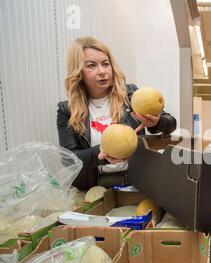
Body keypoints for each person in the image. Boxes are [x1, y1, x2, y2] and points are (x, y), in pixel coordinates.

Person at [57, 37, 176, 190]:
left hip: (136, 182)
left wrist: (156, 122)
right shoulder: (67, 110)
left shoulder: (131, 95)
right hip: (95, 188)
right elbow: (69, 160)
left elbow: (170, 123)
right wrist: (103, 153)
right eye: (92, 66)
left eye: (106, 64)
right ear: (79, 71)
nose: (102, 71)